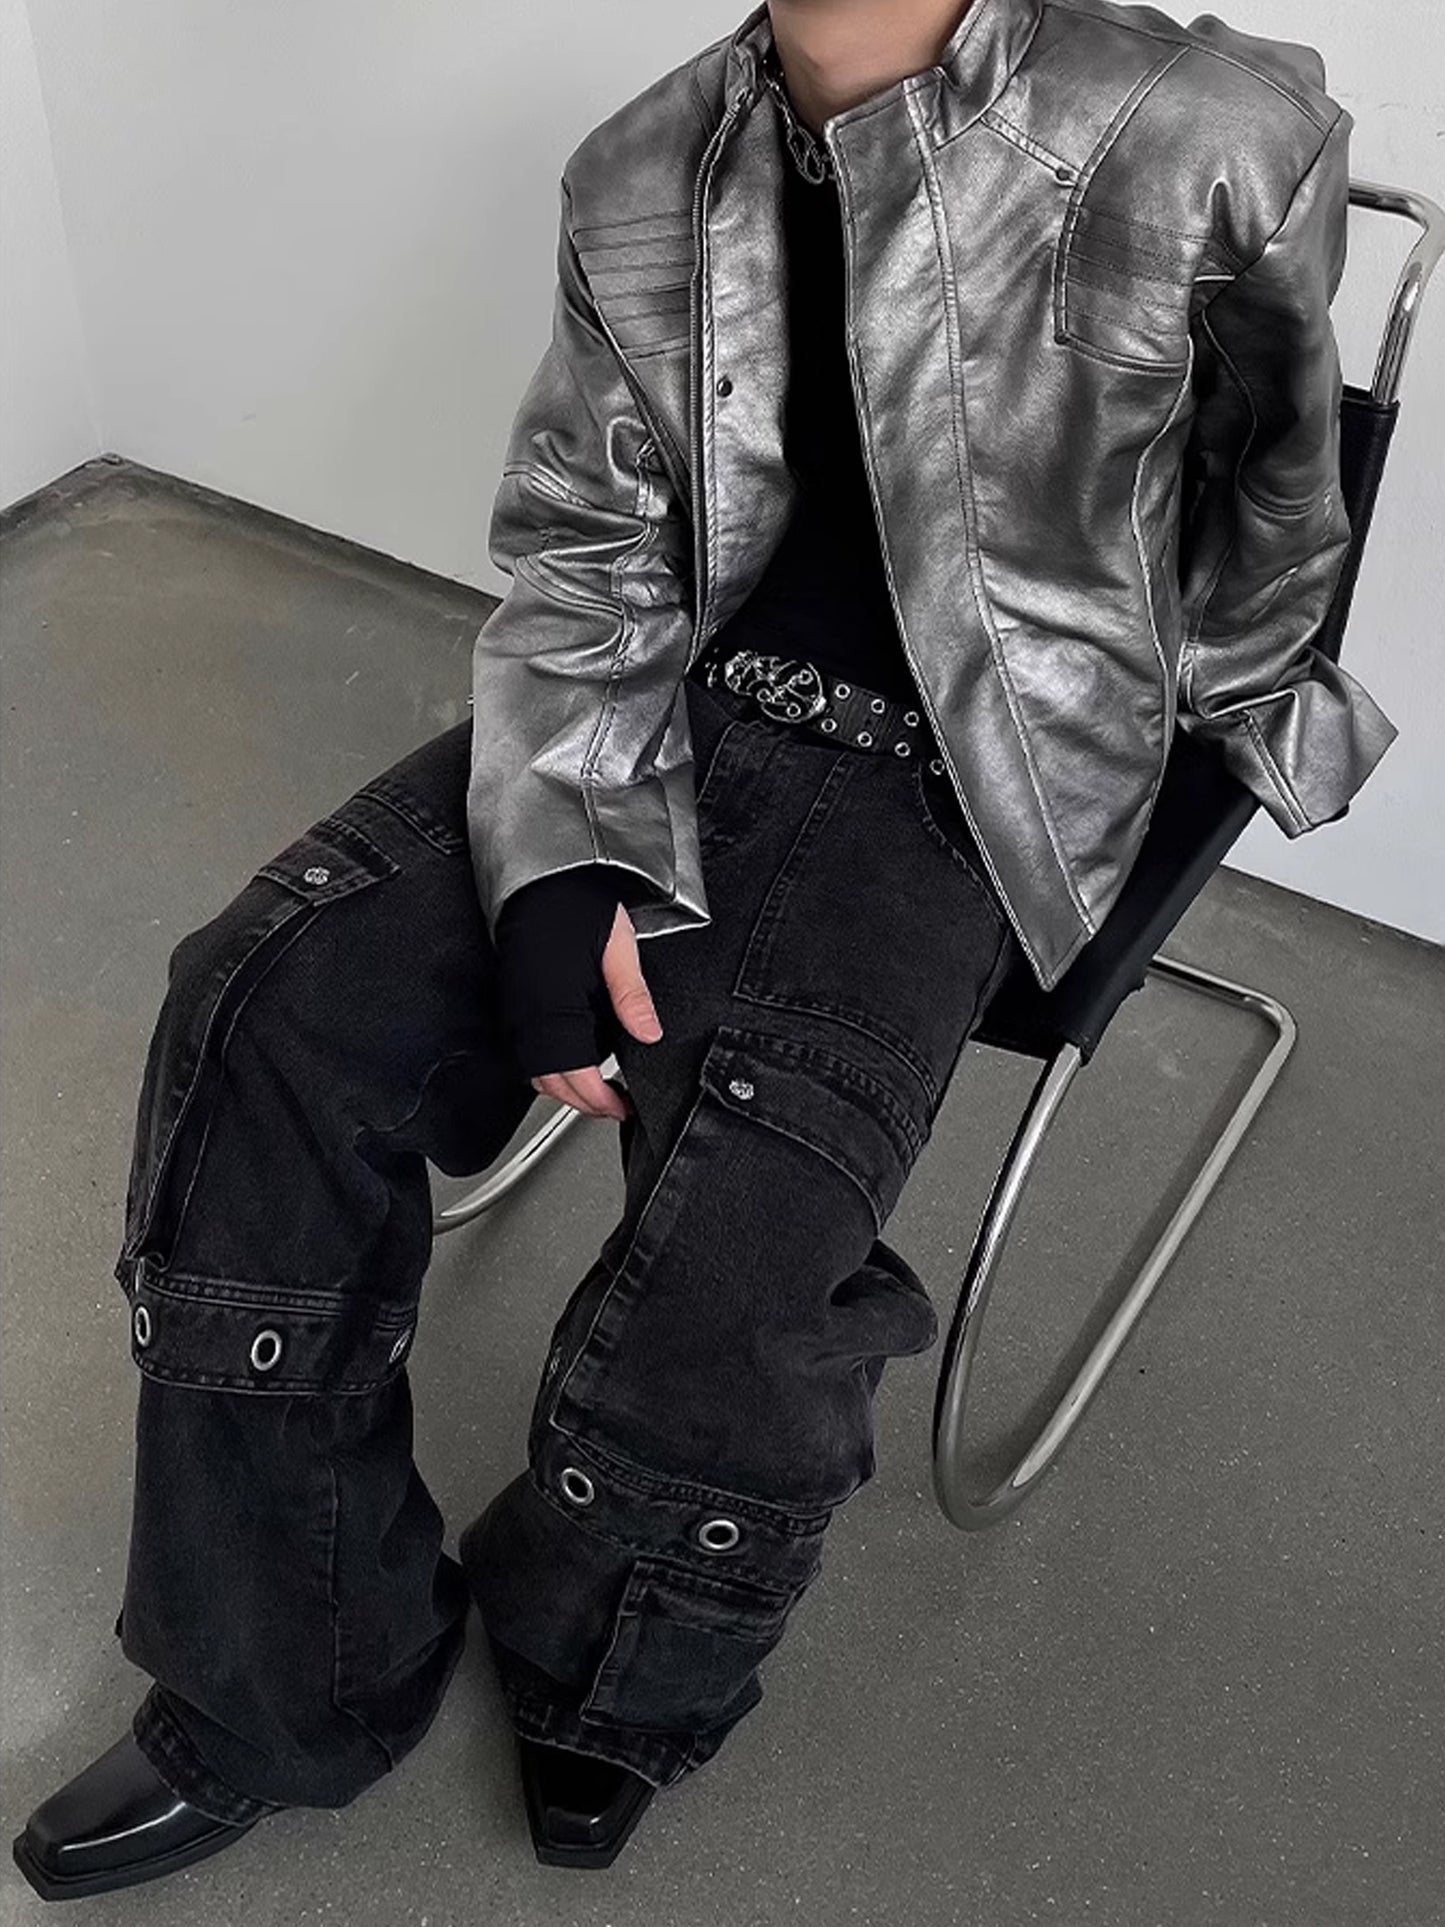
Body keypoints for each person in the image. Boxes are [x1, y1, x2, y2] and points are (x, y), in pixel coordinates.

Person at [13, 0, 1397, 1900]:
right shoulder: (647, 161)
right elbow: (592, 545)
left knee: (739, 1220)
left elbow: (1277, 523)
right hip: (670, 703)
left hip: (965, 772)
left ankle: (609, 1652)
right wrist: (560, 857)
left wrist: (1118, 780)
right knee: (263, 1002)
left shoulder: (1205, 127)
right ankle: (283, 1670)